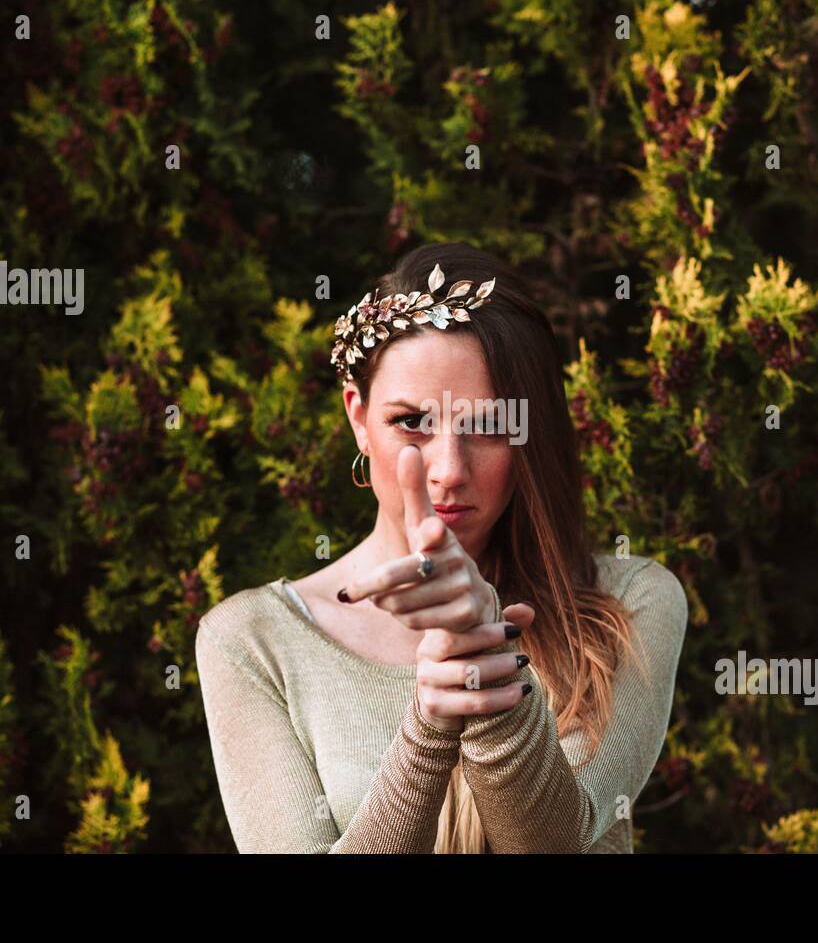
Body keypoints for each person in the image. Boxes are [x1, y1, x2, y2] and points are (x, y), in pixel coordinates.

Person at [196, 241, 688, 852]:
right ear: (358, 416)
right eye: (411, 422)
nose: (449, 470)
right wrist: (430, 729)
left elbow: (555, 845)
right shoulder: (255, 641)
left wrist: (488, 664)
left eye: (485, 425)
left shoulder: (629, 603)